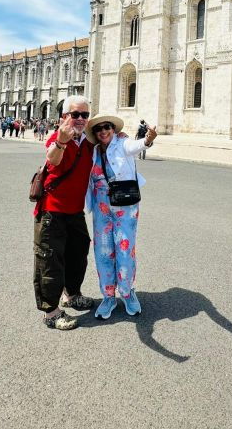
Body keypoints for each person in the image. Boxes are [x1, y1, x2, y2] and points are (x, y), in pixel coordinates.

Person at [33, 95, 96, 330]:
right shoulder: (57, 137)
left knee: (77, 255)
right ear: (64, 117)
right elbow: (53, 159)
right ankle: (51, 312)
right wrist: (61, 141)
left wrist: (117, 135)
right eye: (75, 114)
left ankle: (72, 295)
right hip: (52, 211)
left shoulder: (88, 142)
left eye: (85, 115)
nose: (80, 119)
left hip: (75, 211)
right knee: (50, 261)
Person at [85, 114, 157, 319]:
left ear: (113, 129)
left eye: (107, 127)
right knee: (103, 251)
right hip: (101, 209)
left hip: (125, 207)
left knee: (125, 250)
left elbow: (136, 147)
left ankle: (127, 292)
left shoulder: (123, 142)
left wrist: (148, 139)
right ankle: (108, 296)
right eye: (98, 129)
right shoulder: (94, 150)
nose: (103, 131)